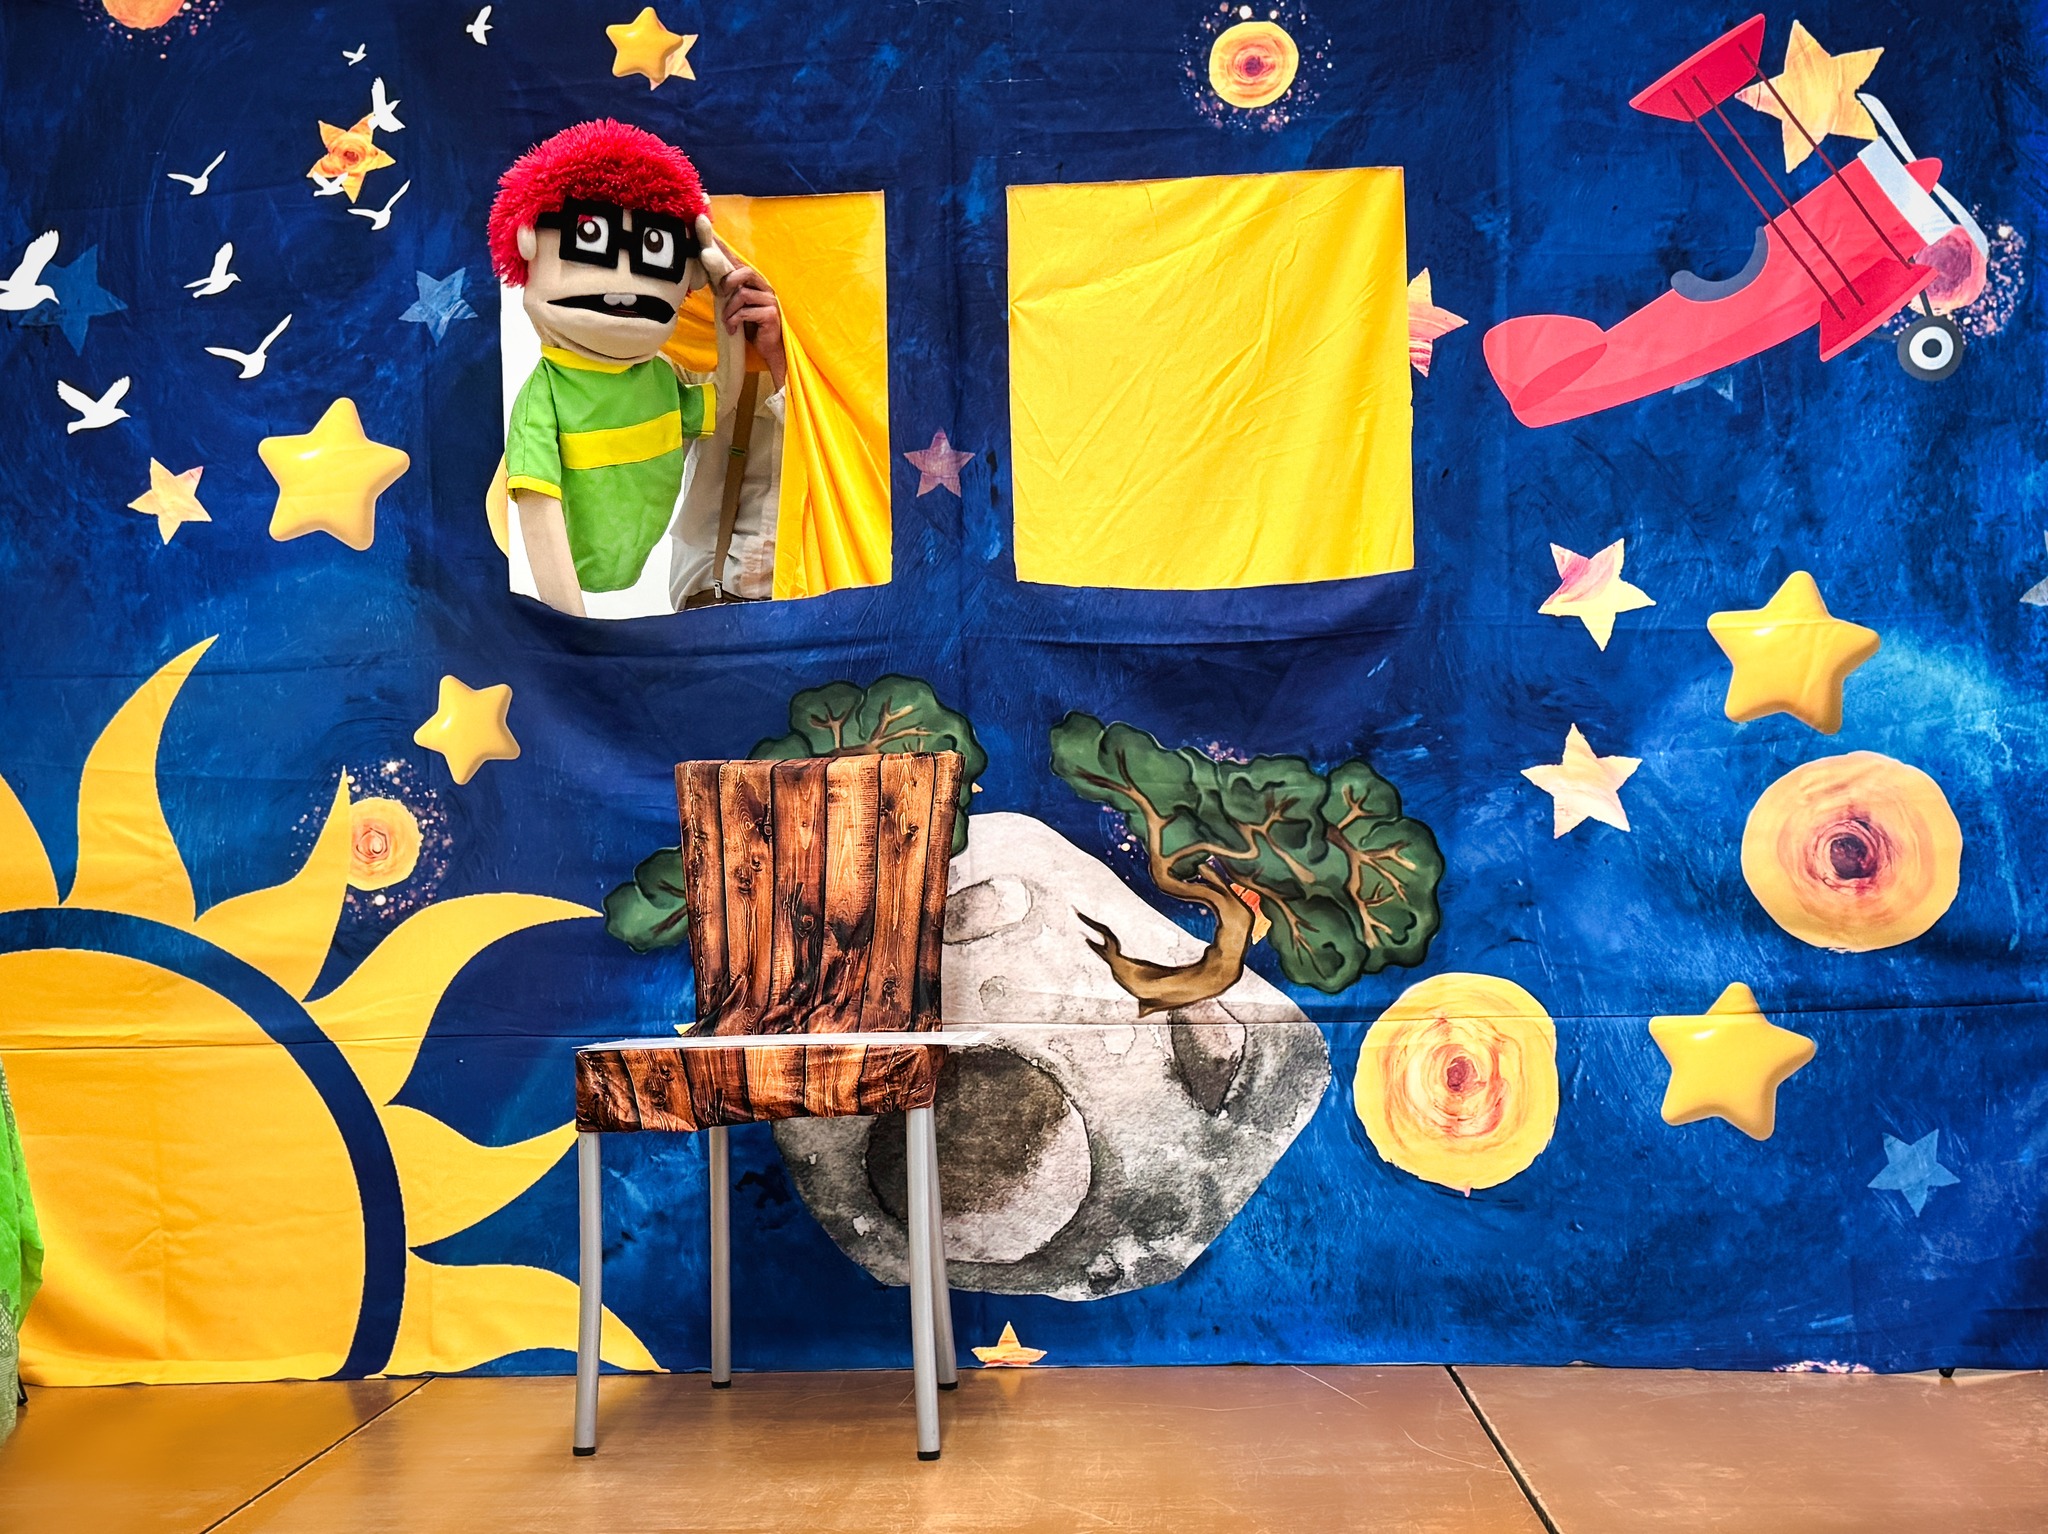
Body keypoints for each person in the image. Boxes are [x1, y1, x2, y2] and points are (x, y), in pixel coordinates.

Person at [487, 119, 786, 617]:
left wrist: (731, 316)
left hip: (812, 590)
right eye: (590, 238)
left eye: (653, 249)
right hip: (706, 598)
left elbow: (720, 402)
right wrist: (575, 633)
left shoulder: (661, 379)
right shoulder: (561, 393)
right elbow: (539, 505)